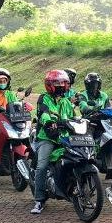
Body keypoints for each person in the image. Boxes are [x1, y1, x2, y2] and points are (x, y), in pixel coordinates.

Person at [30, 69, 74, 214]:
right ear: (49, 85)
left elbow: (74, 117)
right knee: (42, 166)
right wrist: (49, 122)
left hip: (65, 137)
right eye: (57, 83)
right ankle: (39, 200)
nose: (61, 86)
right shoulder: (44, 98)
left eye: (63, 83)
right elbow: (43, 113)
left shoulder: (67, 102)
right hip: (47, 137)